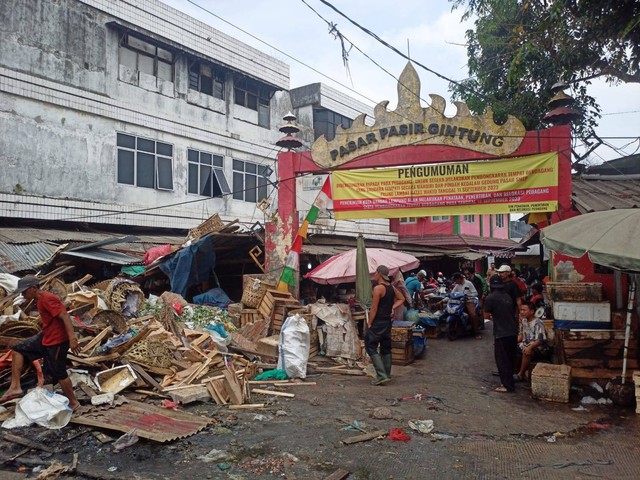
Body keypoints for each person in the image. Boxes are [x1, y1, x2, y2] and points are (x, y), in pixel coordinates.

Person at [0, 275, 80, 409]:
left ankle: (73, 402)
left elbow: (65, 316)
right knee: (18, 348)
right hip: (46, 337)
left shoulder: (48, 298)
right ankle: (15, 387)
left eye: (24, 291)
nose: (23, 294)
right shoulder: (39, 299)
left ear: (33, 288)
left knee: (58, 372)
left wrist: (72, 338)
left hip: (57, 341)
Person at [366, 265, 405, 386]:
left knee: (370, 346)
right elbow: (402, 298)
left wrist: (370, 322)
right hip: (388, 322)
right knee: (386, 347)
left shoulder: (378, 288)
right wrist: (392, 308)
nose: (374, 274)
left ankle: (381, 375)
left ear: (378, 273)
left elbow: (374, 308)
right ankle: (387, 374)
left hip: (378, 322)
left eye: (375, 272)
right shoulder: (391, 288)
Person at [483, 275, 518, 393]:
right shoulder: (507, 296)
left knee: (502, 359)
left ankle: (507, 385)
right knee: (510, 358)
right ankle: (510, 381)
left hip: (501, 332)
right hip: (513, 331)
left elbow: (486, 316)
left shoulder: (490, 298)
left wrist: (495, 317)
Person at [514, 302, 549, 382]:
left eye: (524, 310)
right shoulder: (524, 321)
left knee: (527, 352)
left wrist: (529, 347)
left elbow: (540, 340)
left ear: (532, 311)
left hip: (538, 348)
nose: (521, 312)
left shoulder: (538, 323)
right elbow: (521, 335)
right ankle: (512, 371)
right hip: (525, 344)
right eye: (521, 310)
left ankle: (520, 374)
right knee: (510, 348)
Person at [449, 272, 481, 337]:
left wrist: (468, 295)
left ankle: (476, 333)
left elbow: (475, 293)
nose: (455, 282)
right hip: (459, 302)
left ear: (459, 279)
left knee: (473, 315)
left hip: (468, 301)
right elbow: (452, 293)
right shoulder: (457, 285)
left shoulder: (469, 283)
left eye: (455, 280)